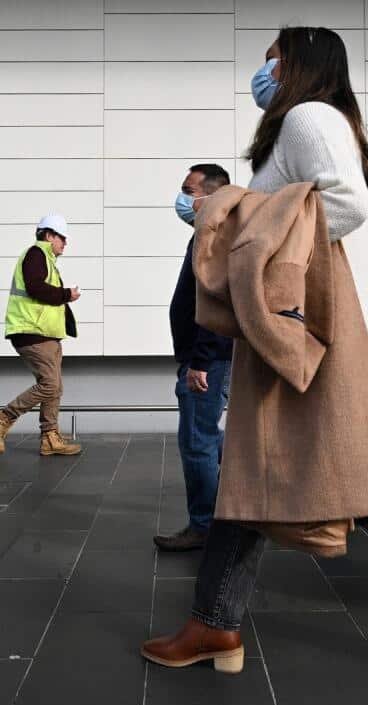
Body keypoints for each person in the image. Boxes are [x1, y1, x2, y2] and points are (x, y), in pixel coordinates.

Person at [141, 26, 368, 701]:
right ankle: (214, 623)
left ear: (302, 65)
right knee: (248, 479)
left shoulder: (310, 116)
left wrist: (243, 228)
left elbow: (342, 203)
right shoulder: (308, 123)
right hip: (300, 344)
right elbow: (307, 212)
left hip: (321, 349)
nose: (265, 72)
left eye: (274, 59)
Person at [154, 164, 235, 553]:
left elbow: (216, 303)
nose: (182, 198)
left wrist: (200, 362)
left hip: (209, 360)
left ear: (211, 196)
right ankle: (239, 502)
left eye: (188, 190)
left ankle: (205, 525)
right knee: (207, 436)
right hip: (207, 357)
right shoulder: (208, 234)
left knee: (196, 441)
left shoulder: (217, 237)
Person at [0, 214, 83, 457]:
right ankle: (1, 418)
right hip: (32, 332)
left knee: (55, 386)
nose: (65, 243)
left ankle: (50, 437)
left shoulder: (45, 259)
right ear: (49, 235)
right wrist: (65, 294)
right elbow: (35, 287)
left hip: (45, 335)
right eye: (62, 238)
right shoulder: (36, 254)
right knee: (49, 384)